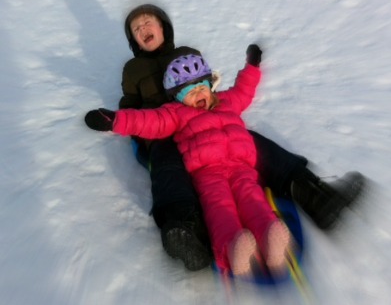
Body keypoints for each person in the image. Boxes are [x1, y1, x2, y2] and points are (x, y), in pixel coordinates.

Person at [104, 4, 365, 272]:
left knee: (245, 139)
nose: (143, 29)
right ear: (133, 40)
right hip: (162, 131)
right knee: (167, 164)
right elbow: (130, 105)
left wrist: (248, 70)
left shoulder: (187, 54)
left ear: (163, 27)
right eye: (136, 29)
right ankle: (186, 230)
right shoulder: (133, 68)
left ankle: (315, 196)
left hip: (208, 123)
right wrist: (120, 120)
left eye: (148, 22)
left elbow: (227, 91)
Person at [85, 46, 292, 276]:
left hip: (241, 167)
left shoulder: (227, 101)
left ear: (210, 85)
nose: (198, 94)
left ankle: (269, 235)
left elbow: (244, 90)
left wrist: (252, 66)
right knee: (219, 207)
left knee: (252, 197)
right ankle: (232, 247)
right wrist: (113, 120)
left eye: (201, 87)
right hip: (208, 173)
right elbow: (146, 121)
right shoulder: (175, 114)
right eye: (189, 92)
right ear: (177, 97)